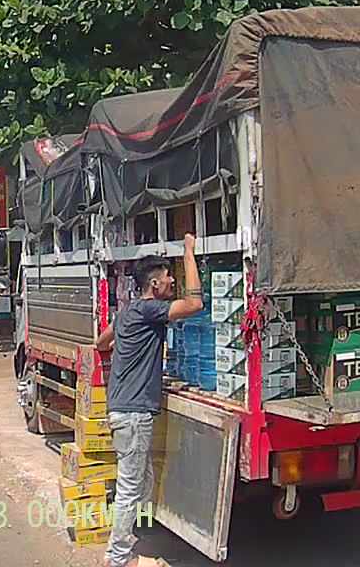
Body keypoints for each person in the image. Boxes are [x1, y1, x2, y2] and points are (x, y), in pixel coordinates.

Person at [96, 234, 203, 567]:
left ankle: (126, 541)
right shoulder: (149, 310)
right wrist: (188, 253)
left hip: (122, 410)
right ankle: (118, 557)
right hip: (133, 414)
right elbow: (195, 304)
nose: (172, 282)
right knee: (131, 486)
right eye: (168, 278)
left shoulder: (128, 312)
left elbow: (101, 342)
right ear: (154, 285)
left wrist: (126, 350)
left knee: (142, 481)